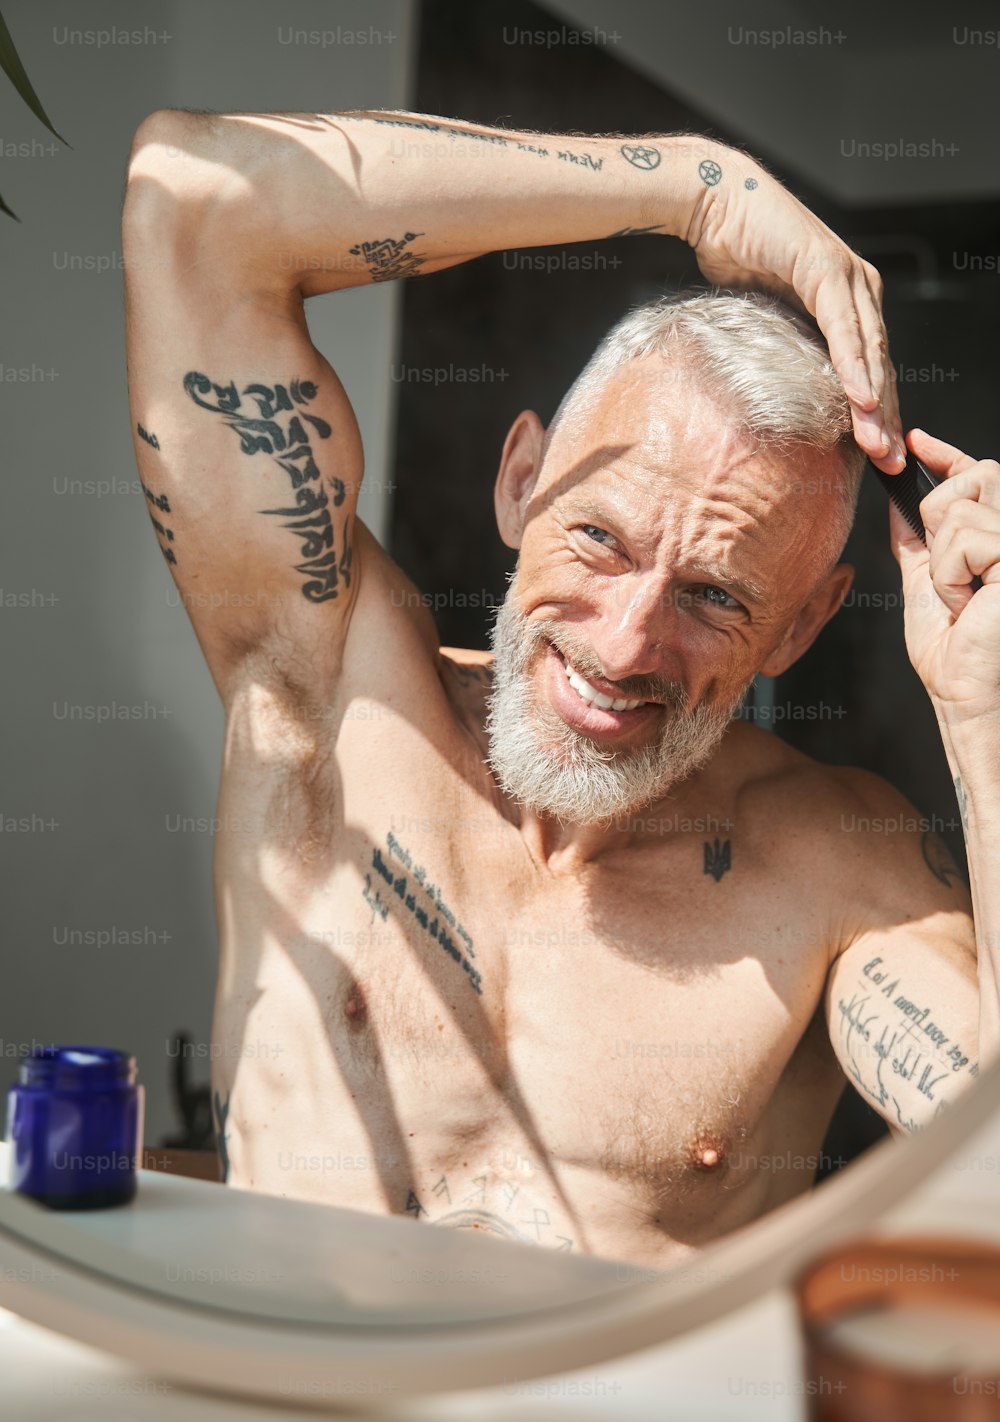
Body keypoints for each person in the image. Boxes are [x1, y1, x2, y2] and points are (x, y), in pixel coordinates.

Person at [122, 108, 997, 1269]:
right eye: (599, 539)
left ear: (801, 627)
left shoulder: (841, 869)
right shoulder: (328, 690)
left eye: (715, 597)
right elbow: (197, 204)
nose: (626, 644)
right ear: (520, 480)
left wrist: (984, 722)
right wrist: (693, 189)